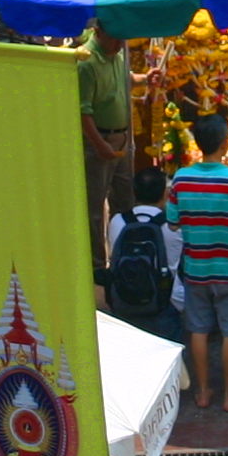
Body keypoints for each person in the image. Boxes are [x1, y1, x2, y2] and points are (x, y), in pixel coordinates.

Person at [171, 114, 228, 412]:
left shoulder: (181, 178)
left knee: (197, 329)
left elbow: (173, 223)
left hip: (196, 267)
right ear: (225, 142)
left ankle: (202, 392)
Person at [105, 169, 186, 338]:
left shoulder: (117, 221)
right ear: (165, 193)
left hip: (125, 300)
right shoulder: (174, 226)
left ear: (134, 191)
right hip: (166, 304)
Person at [81, 22, 133, 267]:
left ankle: (123, 257)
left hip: (122, 139)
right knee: (94, 206)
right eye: (115, 38)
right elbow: (83, 112)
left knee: (123, 200)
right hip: (99, 141)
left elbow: (124, 79)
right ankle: (98, 264)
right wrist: (100, 144)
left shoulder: (117, 55)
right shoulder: (87, 63)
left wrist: (144, 79)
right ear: (99, 30)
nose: (121, 44)